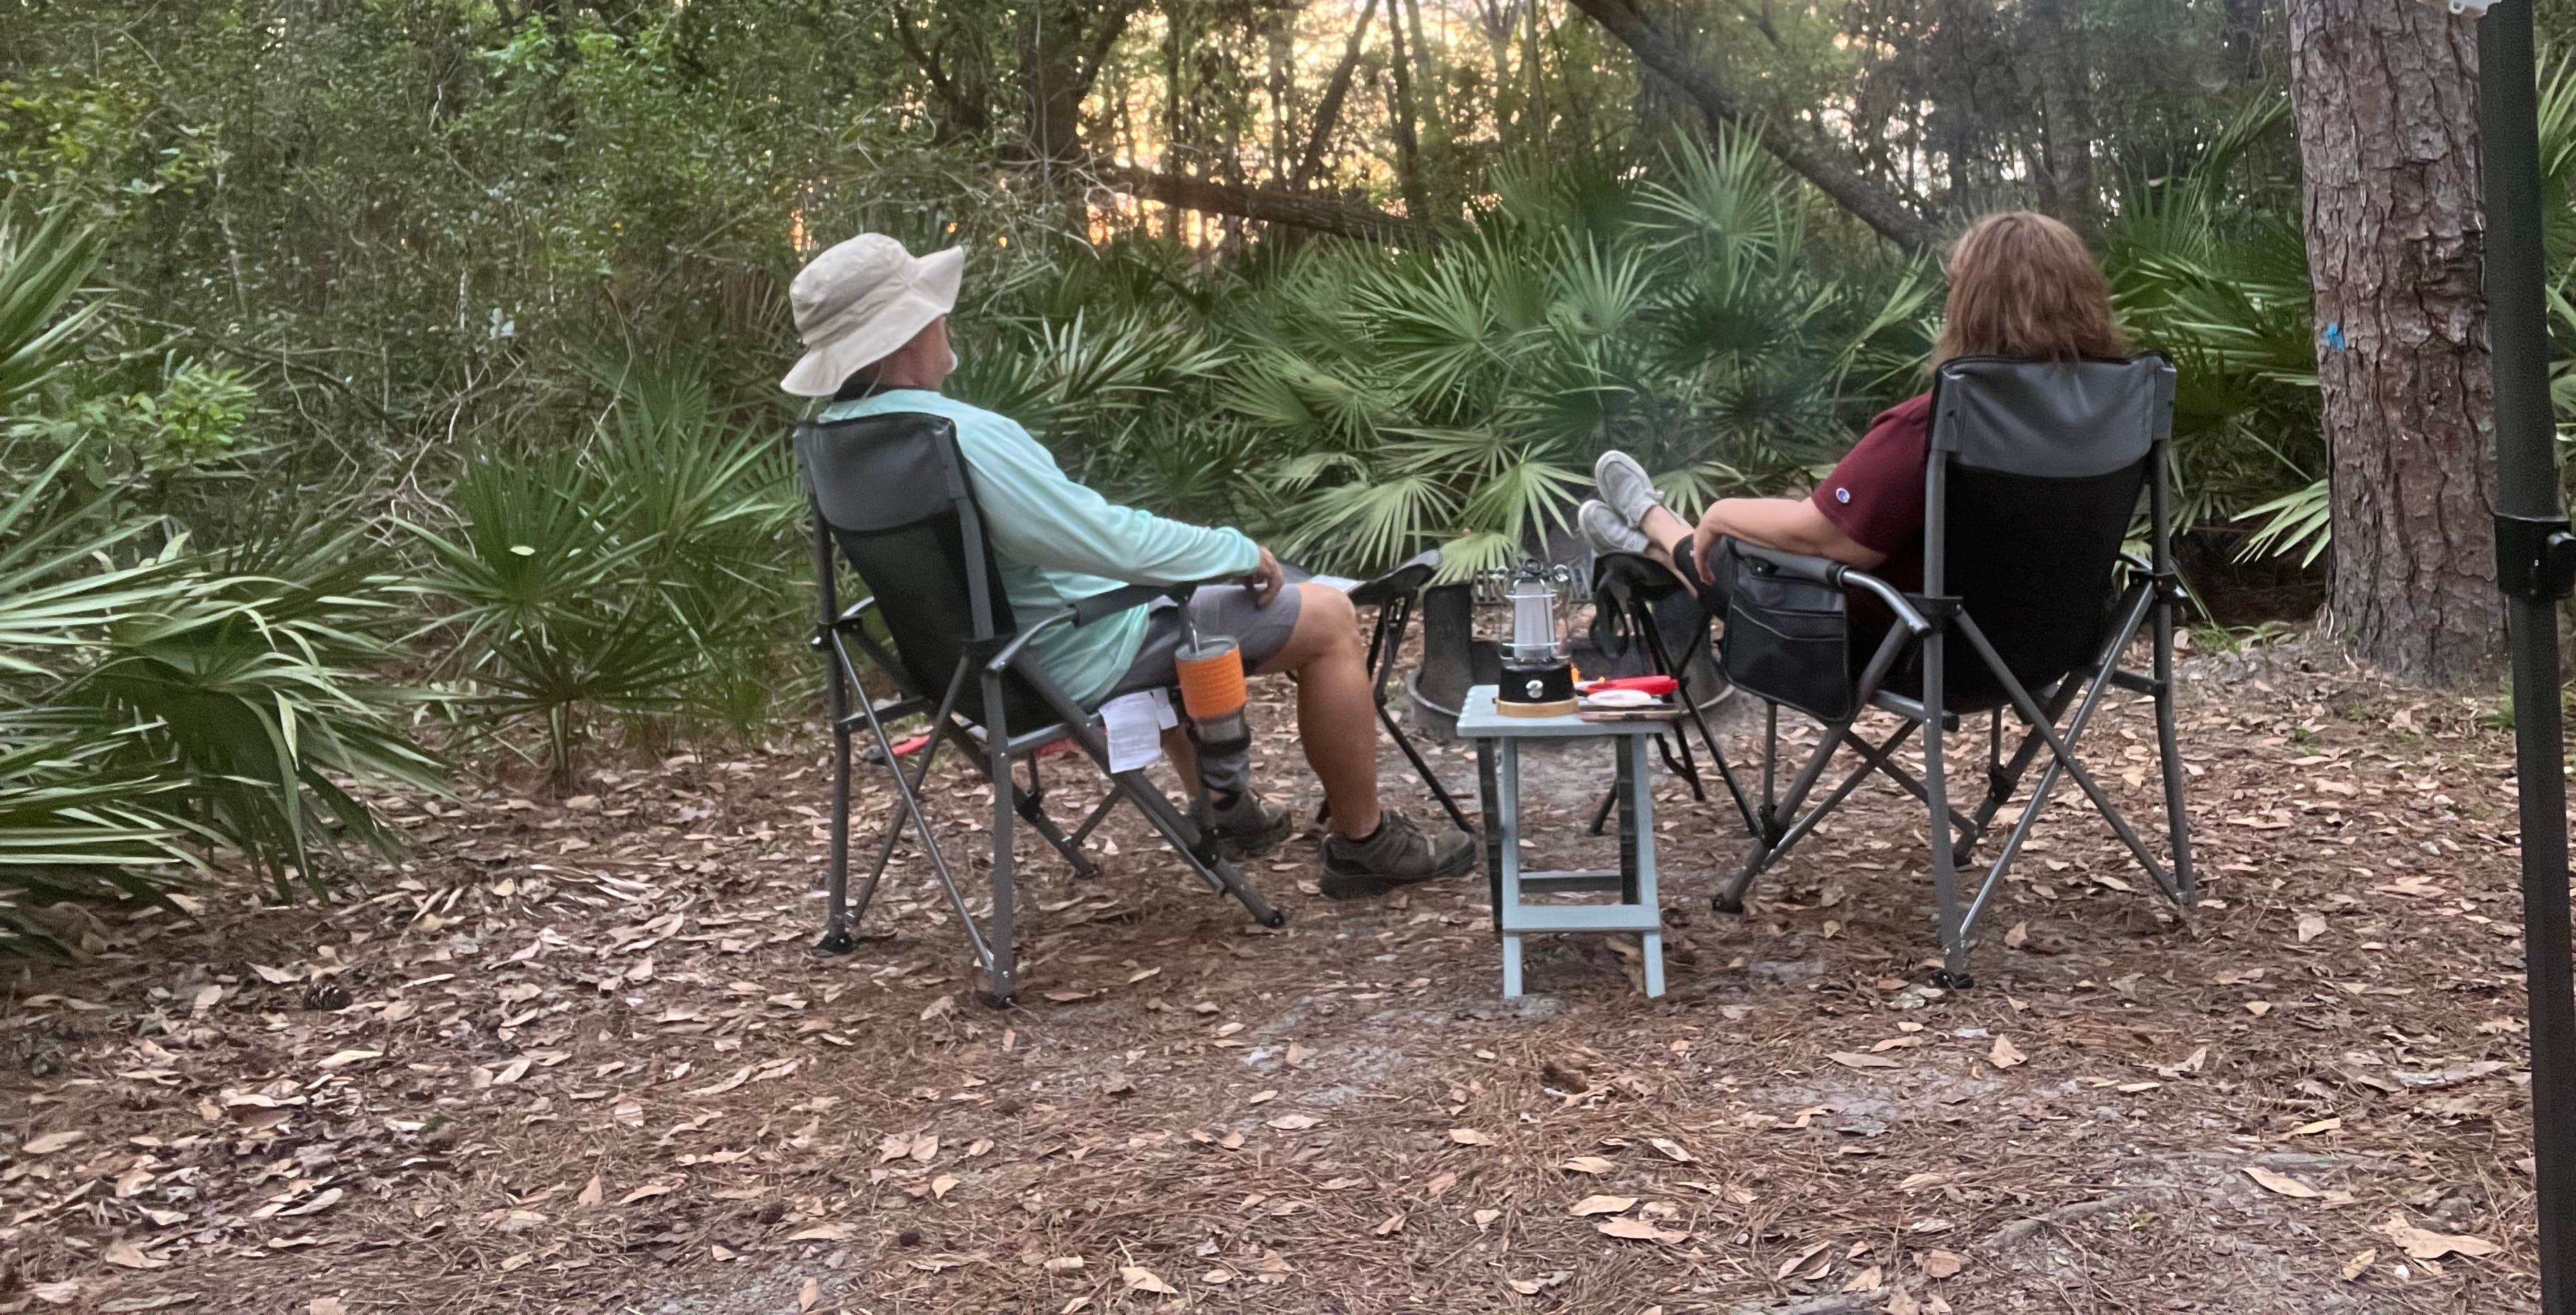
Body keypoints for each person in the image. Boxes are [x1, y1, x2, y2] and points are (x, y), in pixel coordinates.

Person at [783, 232, 1473, 898]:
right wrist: (1236, 552)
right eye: (932, 308)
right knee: (1324, 616)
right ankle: (1367, 845)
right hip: (1059, 661)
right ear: (910, 331)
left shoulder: (836, 441)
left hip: (961, 677)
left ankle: (1229, 815)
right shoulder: (958, 435)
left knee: (1175, 609)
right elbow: (1103, 542)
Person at [1577, 211, 2134, 612]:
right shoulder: (2114, 413)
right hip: (2054, 646)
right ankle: (1648, 535)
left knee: (1739, 552)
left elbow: (1820, 537)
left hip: (1910, 644)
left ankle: (1656, 531)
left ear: (1971, 307)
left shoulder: (1939, 423)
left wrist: (1720, 512)